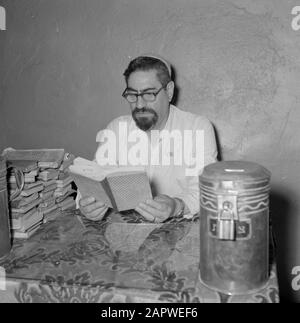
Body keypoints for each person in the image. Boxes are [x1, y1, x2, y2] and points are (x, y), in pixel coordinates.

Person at [79, 54, 218, 223]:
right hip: (126, 237)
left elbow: (207, 191)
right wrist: (88, 205)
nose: (139, 105)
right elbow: (95, 179)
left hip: (181, 230)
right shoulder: (116, 129)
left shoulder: (197, 127)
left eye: (149, 94)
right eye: (132, 94)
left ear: (169, 91)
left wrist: (176, 206)